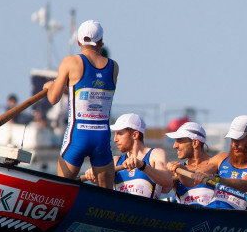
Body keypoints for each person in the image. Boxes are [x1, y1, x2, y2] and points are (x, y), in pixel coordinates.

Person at [43, 20, 119, 187]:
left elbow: (53, 99)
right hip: (102, 137)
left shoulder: (70, 62)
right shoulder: (114, 67)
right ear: (101, 42)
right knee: (108, 196)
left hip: (78, 135)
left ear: (78, 42)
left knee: (62, 188)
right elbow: (89, 87)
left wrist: (51, 86)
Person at [170, 115, 247, 209]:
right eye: (232, 139)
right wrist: (181, 170)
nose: (234, 144)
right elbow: (193, 180)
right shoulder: (221, 158)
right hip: (213, 210)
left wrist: (218, 179)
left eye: (238, 139)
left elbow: (245, 184)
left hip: (237, 218)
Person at [85, 113, 171, 198]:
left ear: (135, 135)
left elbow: (167, 182)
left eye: (119, 134)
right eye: (115, 134)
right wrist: (96, 176)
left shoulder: (155, 154)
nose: (115, 139)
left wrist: (142, 166)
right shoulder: (115, 161)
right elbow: (104, 192)